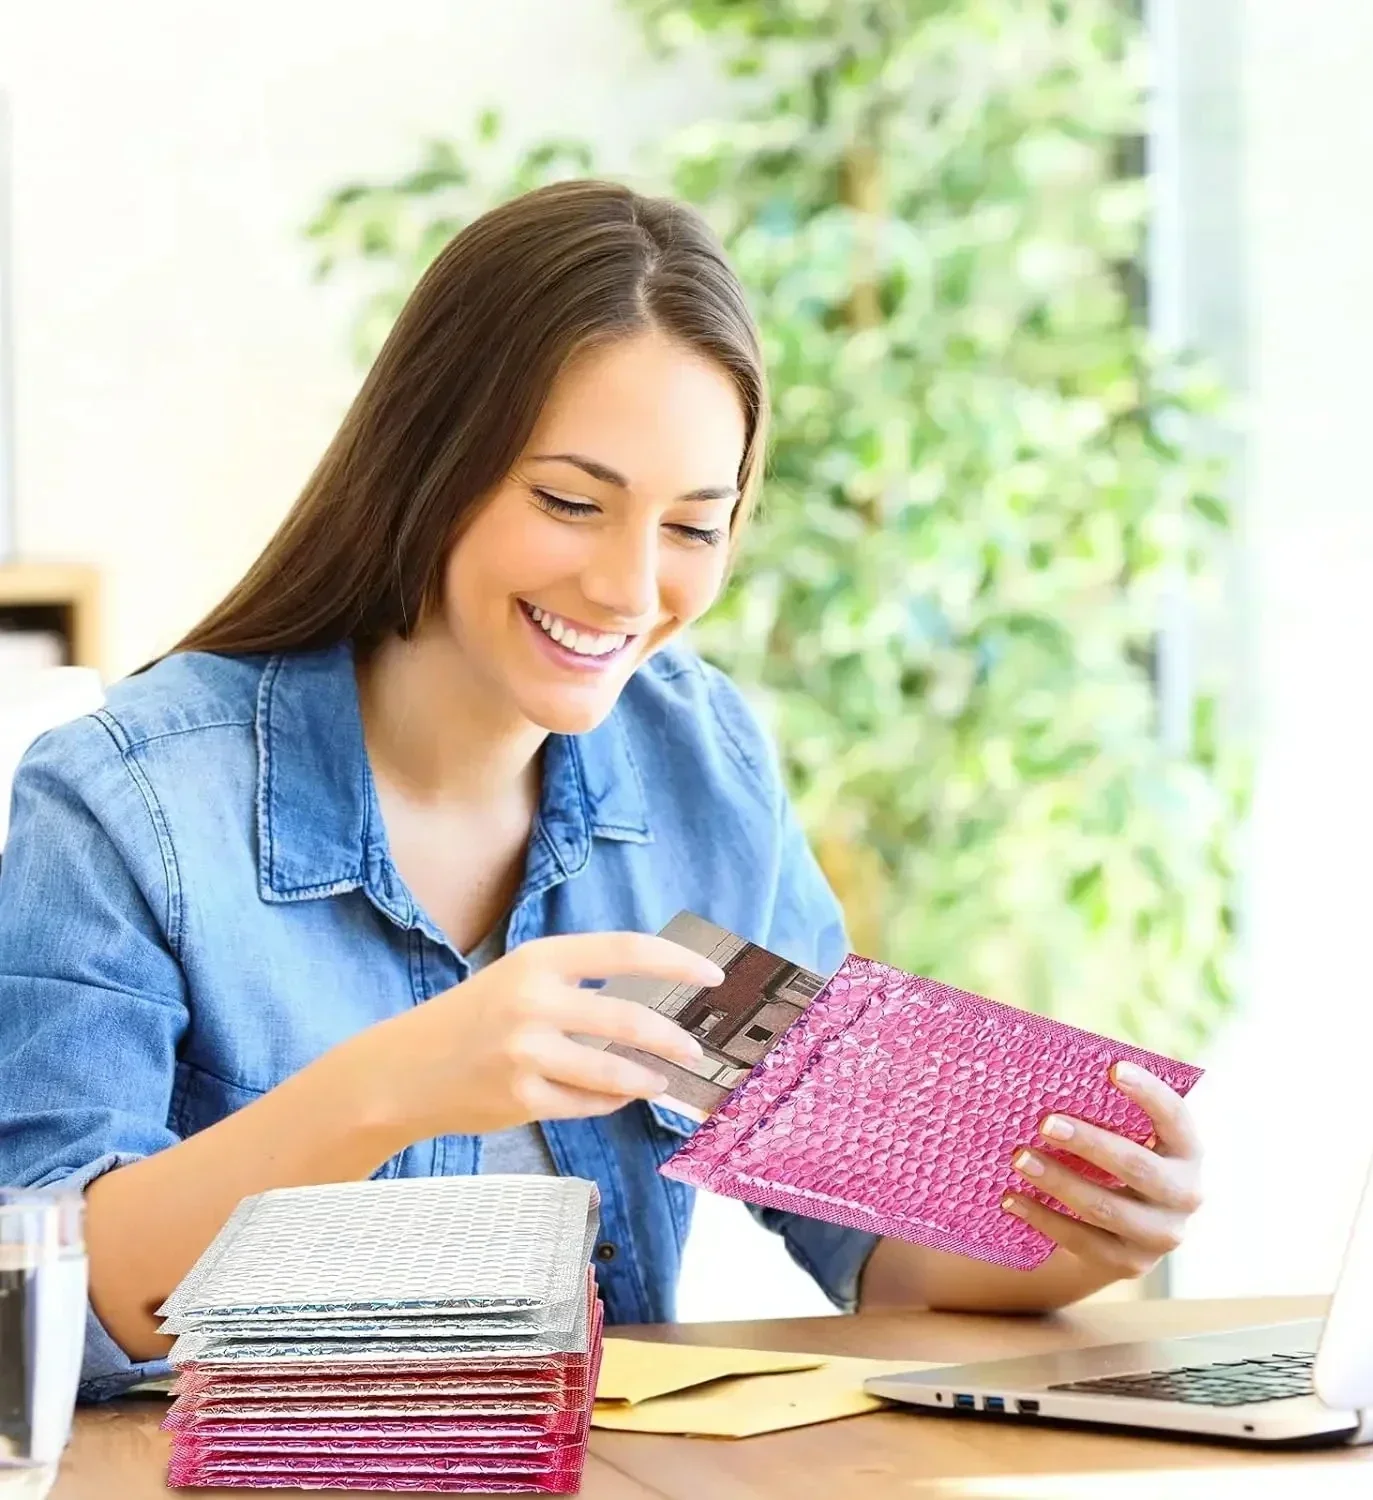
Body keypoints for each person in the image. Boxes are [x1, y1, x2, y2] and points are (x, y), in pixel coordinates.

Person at [0, 181, 1204, 1402]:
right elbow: (31, 1308)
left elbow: (869, 1250)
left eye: (695, 527)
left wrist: (1067, 1235)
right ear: (432, 463)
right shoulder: (127, 803)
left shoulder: (699, 766)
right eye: (572, 502)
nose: (632, 591)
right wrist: (391, 1087)